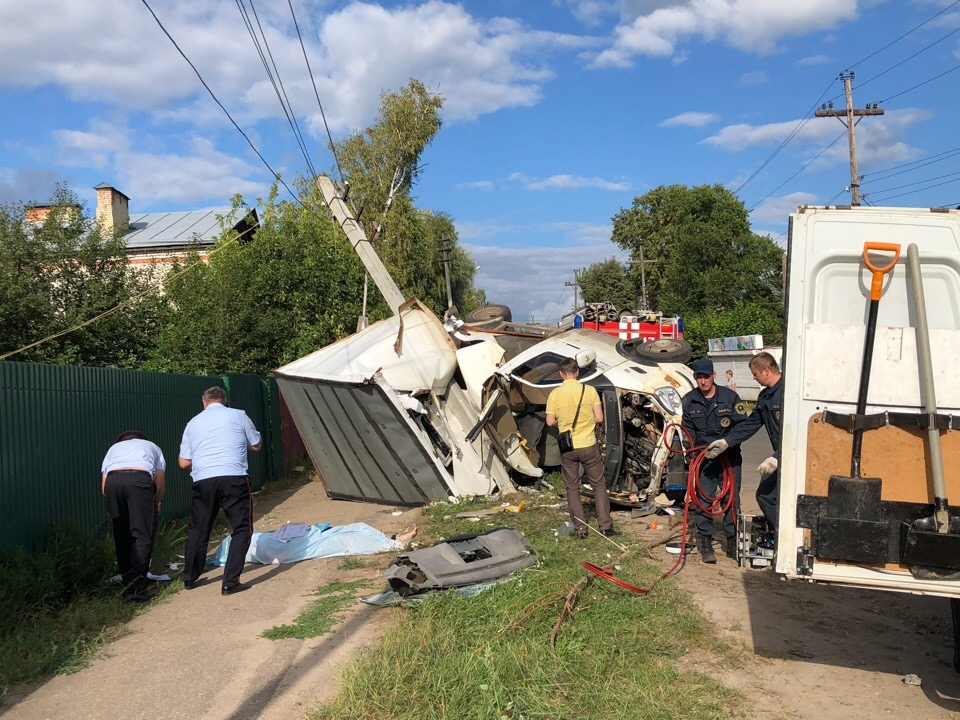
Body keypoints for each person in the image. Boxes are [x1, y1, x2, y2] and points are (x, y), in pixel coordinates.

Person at [179, 386, 262, 595]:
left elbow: (183, 462)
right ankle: (230, 582)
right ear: (224, 401)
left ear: (204, 402)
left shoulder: (193, 423)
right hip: (234, 476)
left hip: (204, 480)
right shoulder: (239, 415)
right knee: (241, 528)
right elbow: (256, 445)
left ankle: (189, 578)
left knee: (199, 529)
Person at [683, 358, 750, 563]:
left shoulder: (730, 397)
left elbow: (743, 426)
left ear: (714, 375)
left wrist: (727, 443)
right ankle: (705, 540)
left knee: (730, 499)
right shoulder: (689, 400)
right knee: (702, 501)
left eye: (706, 376)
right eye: (698, 377)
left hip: (728, 458)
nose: (702, 381)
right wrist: (693, 450)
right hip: (704, 459)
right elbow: (687, 431)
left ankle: (732, 540)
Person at [545, 357, 618, 538]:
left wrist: (564, 422)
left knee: (572, 487)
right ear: (577, 372)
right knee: (599, 485)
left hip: (568, 448)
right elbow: (600, 418)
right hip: (588, 445)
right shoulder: (590, 390)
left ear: (561, 374)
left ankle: (580, 529)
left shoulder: (555, 394)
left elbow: (550, 421)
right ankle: (605, 527)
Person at [101, 430, 166, 602]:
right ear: (141, 439)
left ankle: (127, 579)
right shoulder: (153, 447)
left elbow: (104, 484)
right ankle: (136, 588)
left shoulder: (113, 449)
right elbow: (159, 482)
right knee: (142, 535)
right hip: (139, 480)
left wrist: (113, 505)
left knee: (121, 534)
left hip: (113, 484)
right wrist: (155, 505)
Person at [722, 351, 783, 531]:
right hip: (781, 457)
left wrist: (779, 456)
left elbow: (799, 432)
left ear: (766, 371)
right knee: (769, 495)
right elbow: (751, 424)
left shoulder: (789, 393)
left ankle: (783, 535)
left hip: (796, 457)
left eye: (755, 374)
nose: (754, 378)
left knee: (767, 495)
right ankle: (779, 533)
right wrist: (727, 441)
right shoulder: (765, 396)